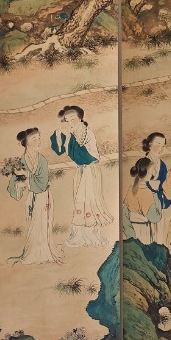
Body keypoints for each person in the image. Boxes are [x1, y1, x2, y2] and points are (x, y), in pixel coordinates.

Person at [51, 104, 111, 247]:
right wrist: (60, 134)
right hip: (81, 171)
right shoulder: (70, 133)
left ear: (80, 118)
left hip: (90, 170)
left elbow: (85, 154)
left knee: (90, 200)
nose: (70, 121)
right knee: (79, 200)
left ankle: (92, 235)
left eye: (73, 118)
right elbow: (60, 151)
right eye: (67, 119)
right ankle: (79, 235)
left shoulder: (86, 132)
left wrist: (68, 136)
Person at [7, 127, 60, 265]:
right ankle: (31, 252)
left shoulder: (41, 160)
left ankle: (43, 253)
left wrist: (26, 179)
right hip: (32, 197)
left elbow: (42, 182)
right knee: (32, 224)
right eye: (33, 139)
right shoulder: (22, 160)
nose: (38, 141)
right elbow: (15, 180)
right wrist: (18, 180)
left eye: (38, 138)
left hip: (43, 195)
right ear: (25, 142)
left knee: (42, 224)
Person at [125, 156, 160, 244]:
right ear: (147, 172)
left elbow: (124, 213)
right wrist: (156, 194)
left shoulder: (130, 189)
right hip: (143, 231)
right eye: (152, 170)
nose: (153, 173)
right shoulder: (147, 193)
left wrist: (130, 233)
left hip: (132, 229)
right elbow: (155, 217)